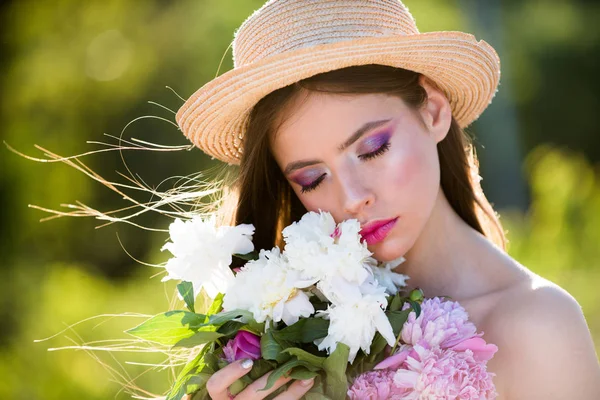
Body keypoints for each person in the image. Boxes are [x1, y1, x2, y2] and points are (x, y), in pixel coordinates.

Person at [174, 0, 600, 399]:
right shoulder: (279, 334)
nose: (353, 198)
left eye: (373, 148)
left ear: (433, 111)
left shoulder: (537, 327)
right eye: (313, 178)